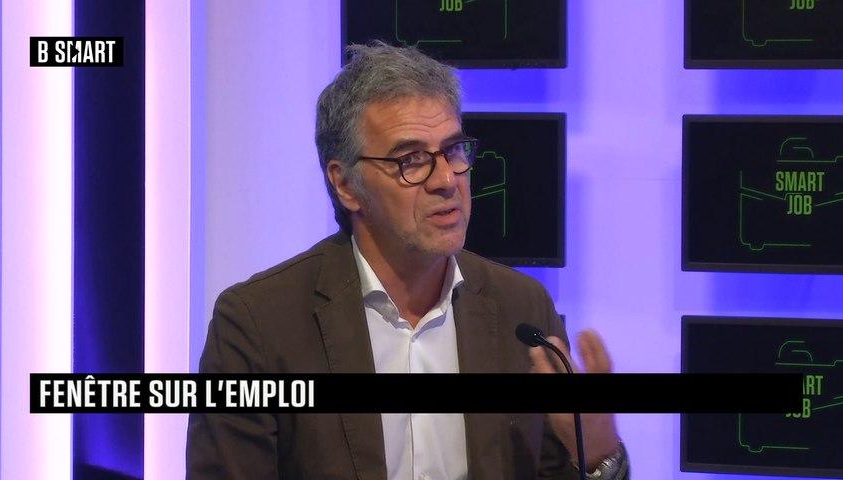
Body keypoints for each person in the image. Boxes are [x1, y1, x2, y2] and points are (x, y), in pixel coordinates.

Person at [187, 42, 628, 480]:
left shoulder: (521, 308)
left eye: (453, 151)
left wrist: (596, 456)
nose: (446, 180)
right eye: (411, 160)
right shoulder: (259, 325)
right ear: (345, 185)